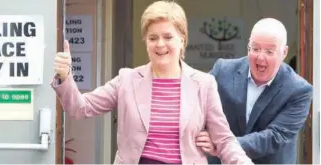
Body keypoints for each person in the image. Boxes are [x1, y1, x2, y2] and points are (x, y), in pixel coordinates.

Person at [52, 1, 252, 164]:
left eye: (168, 37)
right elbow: (79, 108)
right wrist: (65, 75)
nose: (160, 44)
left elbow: (224, 139)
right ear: (145, 41)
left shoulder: (204, 84)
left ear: (182, 39)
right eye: (152, 37)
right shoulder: (127, 80)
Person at [196, 18, 313, 164]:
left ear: (284, 52)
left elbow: (275, 136)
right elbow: (196, 108)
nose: (260, 57)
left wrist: (222, 145)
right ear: (248, 47)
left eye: (269, 51)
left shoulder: (299, 90)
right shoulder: (222, 71)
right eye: (255, 49)